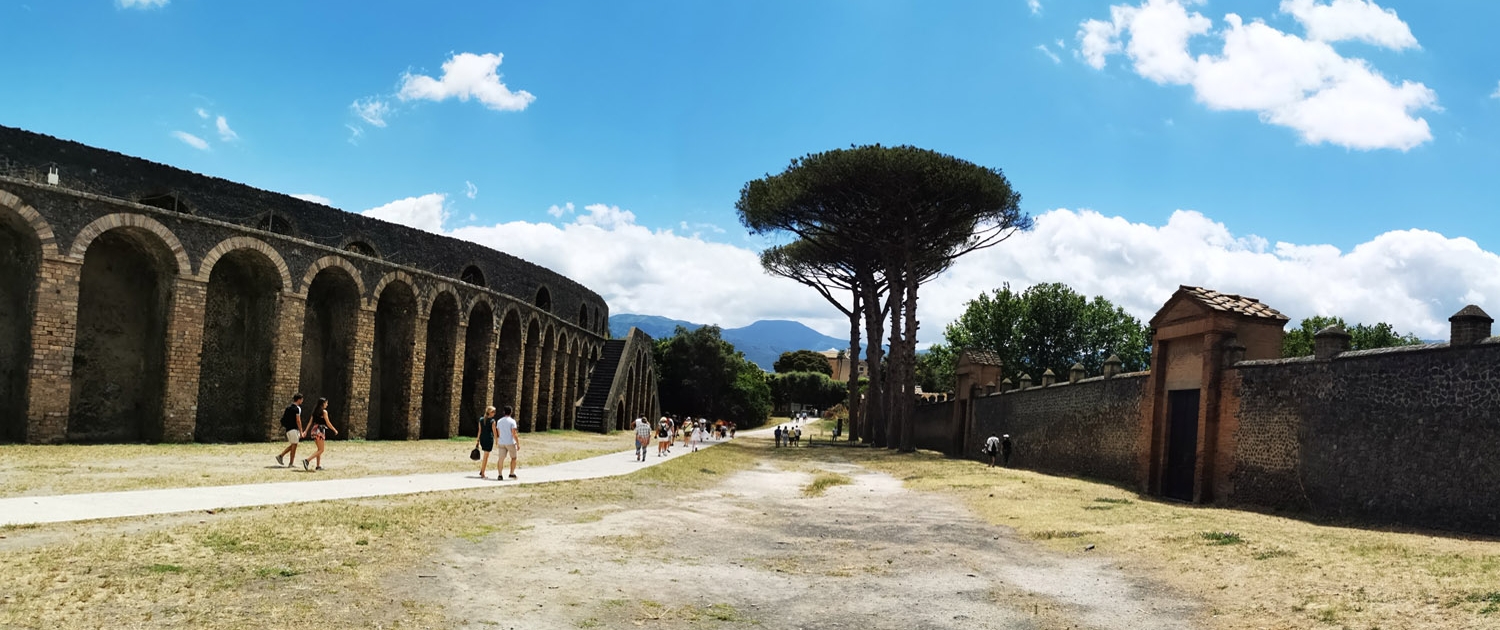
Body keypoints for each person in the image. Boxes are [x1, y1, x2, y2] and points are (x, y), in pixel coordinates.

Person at [302, 398, 337, 471]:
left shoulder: (314, 412)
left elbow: (310, 422)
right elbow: (328, 423)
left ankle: (318, 466)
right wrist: (334, 429)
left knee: (319, 449)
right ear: (323, 403)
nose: (327, 405)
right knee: (321, 450)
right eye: (326, 403)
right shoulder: (324, 412)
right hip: (320, 430)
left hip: (314, 430)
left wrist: (306, 431)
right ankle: (307, 460)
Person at [275, 393, 304, 467]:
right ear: (299, 400)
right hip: (294, 429)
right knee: (294, 446)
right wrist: (301, 431)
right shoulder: (297, 409)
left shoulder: (288, 408)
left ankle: (281, 456)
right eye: (301, 399)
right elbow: (298, 420)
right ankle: (290, 462)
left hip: (288, 429)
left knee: (293, 445)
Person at [495, 405, 521, 479]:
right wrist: (518, 443)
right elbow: (514, 433)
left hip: (502, 442)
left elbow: (498, 432)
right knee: (514, 458)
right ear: (511, 412)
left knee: (501, 458)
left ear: (504, 412)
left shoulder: (499, 421)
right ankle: (511, 473)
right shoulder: (512, 421)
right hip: (510, 442)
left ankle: (500, 474)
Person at [475, 406, 498, 478]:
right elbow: (494, 432)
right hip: (488, 439)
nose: (494, 413)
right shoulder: (492, 421)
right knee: (486, 456)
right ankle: (483, 473)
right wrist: (496, 440)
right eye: (493, 412)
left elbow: (479, 431)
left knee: (485, 455)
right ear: (489, 412)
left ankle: (482, 470)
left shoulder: (481, 419)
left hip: (482, 438)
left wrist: (478, 440)